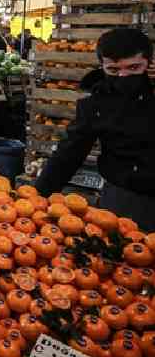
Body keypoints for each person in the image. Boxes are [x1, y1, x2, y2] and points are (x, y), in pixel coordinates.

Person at [35, 28, 155, 231]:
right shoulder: (96, 105)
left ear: (149, 64)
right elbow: (70, 152)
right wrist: (37, 195)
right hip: (122, 195)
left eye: (134, 68)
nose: (124, 76)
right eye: (114, 70)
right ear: (102, 67)